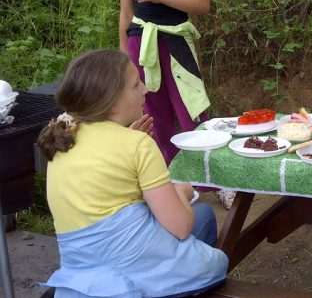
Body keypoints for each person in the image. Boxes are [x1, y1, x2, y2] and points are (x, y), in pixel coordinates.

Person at [37, 50, 228, 297]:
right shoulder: (137, 144)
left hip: (83, 275)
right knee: (203, 216)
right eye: (136, 84)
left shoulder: (64, 138)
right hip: (133, 268)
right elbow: (181, 227)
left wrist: (128, 137)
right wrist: (181, 192)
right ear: (112, 102)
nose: (145, 89)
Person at [117, 0, 211, 165]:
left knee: (191, 106)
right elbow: (125, 13)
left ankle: (208, 177)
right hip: (141, 40)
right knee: (151, 111)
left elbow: (202, 4)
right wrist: (123, 55)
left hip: (176, 39)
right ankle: (167, 175)